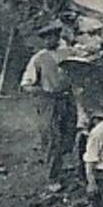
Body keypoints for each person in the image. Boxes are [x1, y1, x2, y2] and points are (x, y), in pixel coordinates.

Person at [19, 25, 77, 185]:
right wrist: (42, 92)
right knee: (52, 138)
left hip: (69, 99)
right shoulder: (38, 59)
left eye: (50, 37)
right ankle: (53, 177)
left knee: (69, 134)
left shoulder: (70, 53)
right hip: (49, 102)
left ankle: (65, 166)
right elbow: (26, 84)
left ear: (57, 37)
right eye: (44, 38)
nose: (46, 41)